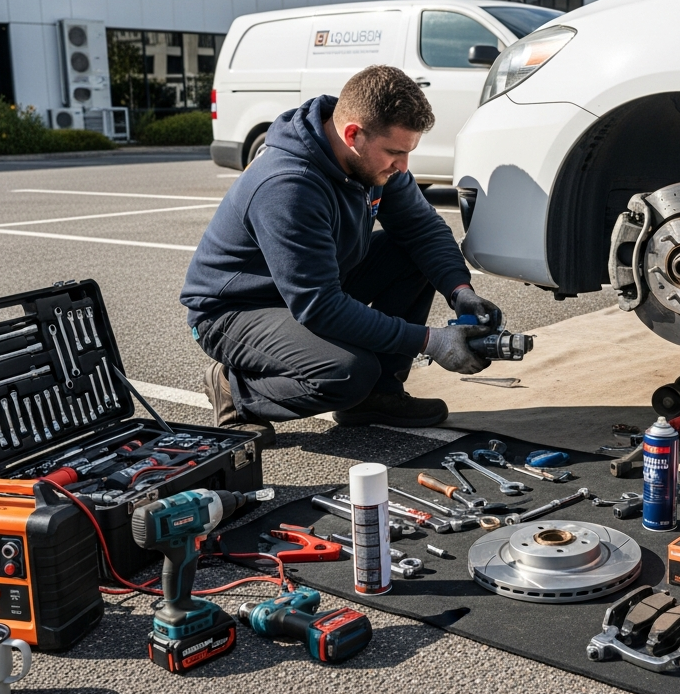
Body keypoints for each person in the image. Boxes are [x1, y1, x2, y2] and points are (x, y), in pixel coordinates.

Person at [180, 65, 501, 443]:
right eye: (395, 152)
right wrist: (432, 341)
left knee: (411, 253)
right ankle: (234, 390)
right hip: (235, 310)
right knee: (348, 372)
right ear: (353, 135)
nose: (403, 167)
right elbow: (319, 306)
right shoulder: (287, 184)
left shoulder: (370, 160)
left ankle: (378, 395)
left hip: (314, 284)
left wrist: (460, 290)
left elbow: (422, 229)